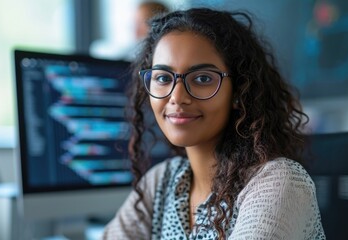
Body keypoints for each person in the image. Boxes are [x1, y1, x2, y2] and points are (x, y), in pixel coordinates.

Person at [102, 8, 326, 240]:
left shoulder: (279, 183)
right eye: (163, 78)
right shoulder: (161, 181)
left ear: (240, 91)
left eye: (202, 79)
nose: (177, 97)